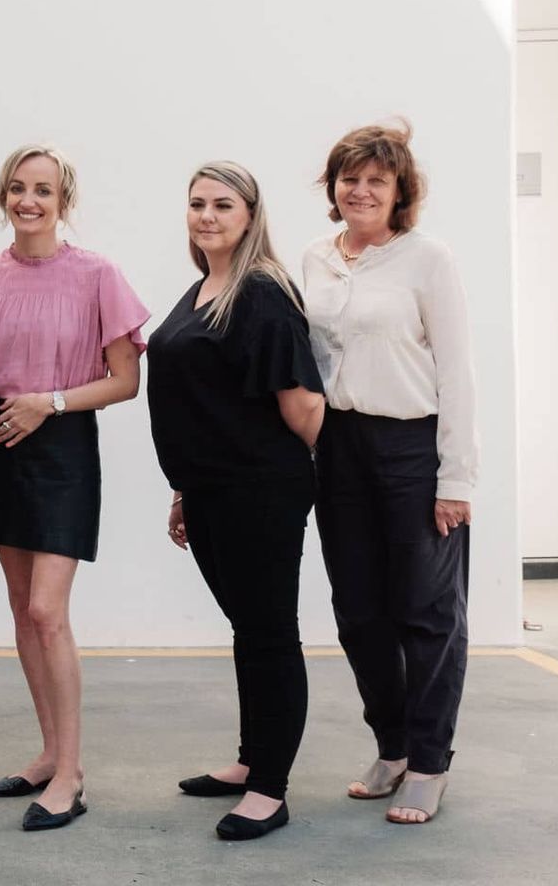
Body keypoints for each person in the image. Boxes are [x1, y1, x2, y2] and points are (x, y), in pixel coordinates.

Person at [0, 145, 147, 831]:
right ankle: (48, 752)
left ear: (64, 201)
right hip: (3, 434)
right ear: (2, 196)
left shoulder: (97, 275)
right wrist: (12, 410)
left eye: (43, 190)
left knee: (46, 609)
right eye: (16, 188)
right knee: (20, 605)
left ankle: (71, 772)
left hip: (62, 441)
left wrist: (51, 403)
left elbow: (126, 380)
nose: (28, 200)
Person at [302, 122, 476, 826]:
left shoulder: (428, 260)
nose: (361, 189)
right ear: (333, 187)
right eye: (350, 177)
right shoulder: (316, 259)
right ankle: (393, 745)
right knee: (359, 613)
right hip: (336, 447)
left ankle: (430, 762)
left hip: (411, 446)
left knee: (427, 613)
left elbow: (459, 371)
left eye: (377, 180)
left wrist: (455, 478)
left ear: (400, 191)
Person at [146, 162, 325, 842]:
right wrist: (185, 489)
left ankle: (269, 790)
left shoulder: (261, 293)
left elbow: (303, 405)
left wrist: (343, 490)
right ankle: (252, 758)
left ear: (250, 214)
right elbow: (203, 404)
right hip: (211, 490)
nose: (207, 215)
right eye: (196, 203)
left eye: (223, 204)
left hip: (260, 491)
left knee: (270, 631)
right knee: (248, 628)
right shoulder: (205, 288)